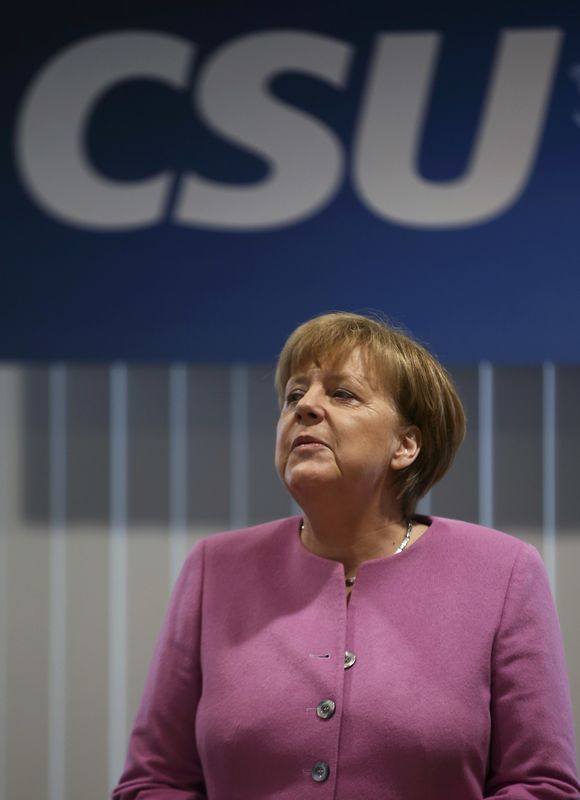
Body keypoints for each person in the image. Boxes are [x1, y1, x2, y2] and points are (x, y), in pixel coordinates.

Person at [112, 312, 580, 800]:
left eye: (342, 393)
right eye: (294, 395)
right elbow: (153, 782)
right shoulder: (215, 569)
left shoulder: (502, 573)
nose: (306, 407)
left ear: (406, 445)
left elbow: (540, 786)